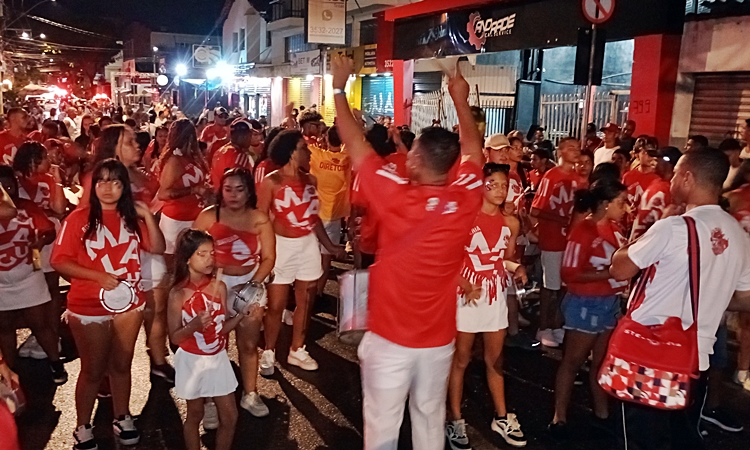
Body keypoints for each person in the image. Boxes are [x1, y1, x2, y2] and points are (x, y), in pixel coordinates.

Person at [332, 54, 485, 450]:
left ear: (415, 159)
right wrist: (460, 97)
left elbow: (355, 144)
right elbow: (474, 153)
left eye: (412, 150)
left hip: (389, 339)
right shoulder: (465, 197)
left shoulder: (394, 195)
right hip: (438, 341)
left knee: (382, 426)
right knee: (429, 419)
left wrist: (339, 87)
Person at [610, 149, 750, 450]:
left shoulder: (673, 227)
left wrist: (652, 229)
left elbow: (619, 268)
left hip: (650, 355)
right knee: (681, 438)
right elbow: (745, 298)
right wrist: (713, 296)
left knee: (641, 440)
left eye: (675, 174)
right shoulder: (739, 235)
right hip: (695, 360)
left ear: (688, 178)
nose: (671, 180)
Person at [51, 159, 165, 450]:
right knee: (92, 369)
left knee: (122, 364)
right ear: (93, 186)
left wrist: (147, 215)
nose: (107, 188)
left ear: (124, 186)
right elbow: (59, 261)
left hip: (130, 302)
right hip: (88, 305)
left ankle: (122, 416)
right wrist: (98, 276)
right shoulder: (78, 218)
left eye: (115, 181)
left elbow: (157, 247)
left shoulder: (132, 218)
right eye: (101, 181)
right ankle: (82, 426)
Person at [446, 163, 528, 449]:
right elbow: (447, 259)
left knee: (496, 360)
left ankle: (501, 416)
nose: (500, 190)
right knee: (461, 359)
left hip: (495, 295)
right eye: (493, 184)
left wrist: (517, 267)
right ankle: (455, 419)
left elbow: (502, 259)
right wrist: (465, 284)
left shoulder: (511, 223)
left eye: (504, 185)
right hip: (466, 295)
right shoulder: (464, 218)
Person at [256, 130, 344, 375]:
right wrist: (263, 252)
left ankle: (297, 349)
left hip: (308, 245)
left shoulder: (311, 180)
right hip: (281, 246)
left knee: (306, 299)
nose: (309, 152)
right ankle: (269, 351)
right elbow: (261, 218)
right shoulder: (272, 182)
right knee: (276, 304)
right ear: (291, 153)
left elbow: (313, 218)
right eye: (303, 148)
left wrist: (329, 246)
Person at [548, 179, 629, 438]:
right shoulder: (584, 231)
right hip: (586, 303)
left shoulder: (615, 229)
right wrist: (610, 273)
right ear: (605, 204)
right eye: (621, 202)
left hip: (609, 302)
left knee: (601, 361)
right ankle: (559, 417)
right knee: (573, 361)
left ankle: (601, 412)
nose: (625, 208)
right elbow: (569, 272)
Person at [193, 168, 275, 417]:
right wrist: (206, 282)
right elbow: (192, 253)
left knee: (248, 344)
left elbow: (269, 258)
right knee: (212, 345)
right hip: (213, 285)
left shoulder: (259, 218)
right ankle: (209, 400)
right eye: (228, 189)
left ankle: (250, 393)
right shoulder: (209, 216)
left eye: (240, 189)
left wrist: (252, 285)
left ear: (249, 191)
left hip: (249, 284)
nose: (233, 195)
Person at [167, 229, 242, 450]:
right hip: (192, 360)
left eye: (212, 253)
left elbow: (221, 328)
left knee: (230, 417)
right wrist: (193, 326)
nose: (210, 259)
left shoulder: (219, 287)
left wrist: (241, 315)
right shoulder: (178, 293)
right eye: (202, 254)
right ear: (187, 258)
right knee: (195, 414)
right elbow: (175, 337)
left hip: (218, 358)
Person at [0, 165, 66, 384]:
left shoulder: (27, 207)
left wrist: (40, 241)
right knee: (4, 327)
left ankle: (56, 363)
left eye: (10, 186)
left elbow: (49, 230)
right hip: (1, 284)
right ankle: (9, 373)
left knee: (40, 324)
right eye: (2, 188)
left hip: (28, 277)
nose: (8, 192)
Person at [13, 142, 66, 361]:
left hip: (47, 235)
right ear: (34, 160)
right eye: (45, 158)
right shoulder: (14, 180)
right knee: (33, 286)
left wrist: (57, 180)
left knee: (50, 286)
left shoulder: (49, 179)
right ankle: (39, 333)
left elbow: (59, 208)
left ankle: (51, 334)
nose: (49, 161)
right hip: (24, 237)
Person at [530, 137, 586, 348]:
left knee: (564, 286)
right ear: (560, 151)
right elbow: (536, 210)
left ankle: (557, 325)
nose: (576, 151)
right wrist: (562, 219)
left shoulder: (580, 179)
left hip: (571, 241)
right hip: (553, 238)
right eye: (571, 148)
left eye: (578, 148)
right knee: (550, 286)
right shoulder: (552, 176)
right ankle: (543, 327)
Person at [308, 125, 350, 296]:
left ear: (326, 139)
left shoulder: (316, 155)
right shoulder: (347, 159)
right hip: (333, 217)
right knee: (326, 259)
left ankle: (308, 292)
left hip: (314, 215)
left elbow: (299, 138)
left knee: (311, 256)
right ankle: (318, 293)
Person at [629, 147, 683, 241]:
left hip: (650, 242)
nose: (653, 162)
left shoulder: (671, 191)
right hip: (639, 241)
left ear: (668, 163)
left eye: (658, 160)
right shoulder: (657, 182)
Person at [210, 119, 256, 189]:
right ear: (244, 136)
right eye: (250, 135)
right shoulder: (239, 155)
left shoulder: (220, 151)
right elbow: (237, 183)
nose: (251, 139)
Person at [622, 144, 659, 223]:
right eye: (644, 152)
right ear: (637, 155)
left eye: (652, 153)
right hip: (628, 222)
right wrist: (626, 207)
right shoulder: (627, 176)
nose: (649, 156)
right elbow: (621, 197)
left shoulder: (658, 178)